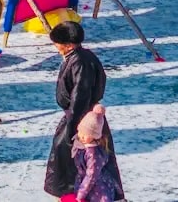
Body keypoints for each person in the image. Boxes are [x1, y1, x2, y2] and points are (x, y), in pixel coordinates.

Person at [44, 20, 121, 202]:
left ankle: (76, 196)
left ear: (68, 45)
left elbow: (80, 96)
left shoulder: (80, 63)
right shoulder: (83, 57)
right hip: (79, 117)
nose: (56, 46)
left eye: (58, 43)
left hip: (81, 121)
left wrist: (73, 129)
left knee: (76, 162)